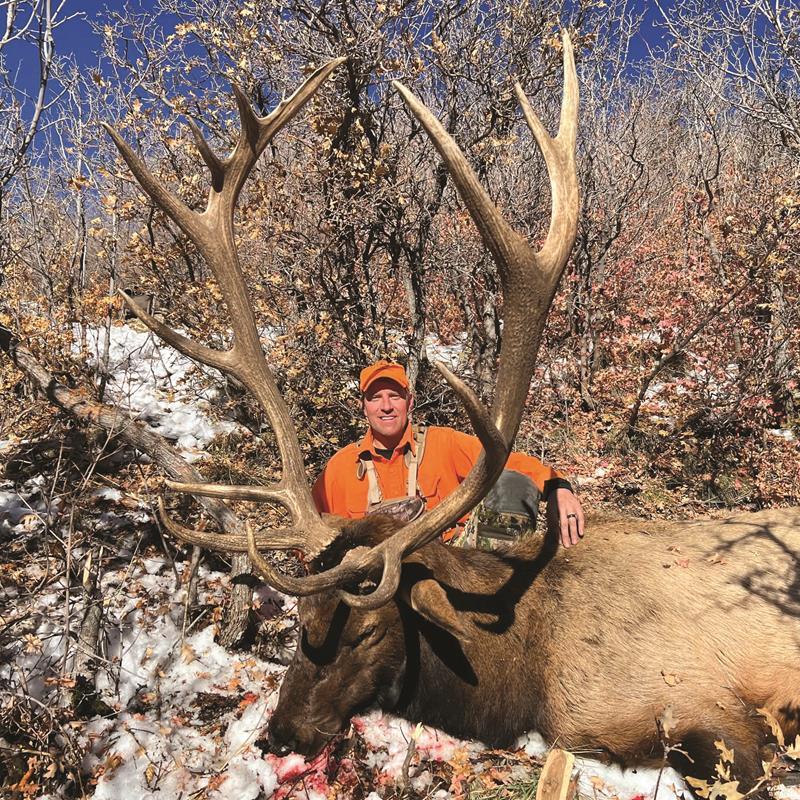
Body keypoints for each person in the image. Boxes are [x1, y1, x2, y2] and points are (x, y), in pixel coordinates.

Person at [312, 360, 585, 548]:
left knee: (513, 485)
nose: (386, 406)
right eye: (375, 398)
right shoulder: (340, 469)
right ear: (363, 407)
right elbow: (311, 532)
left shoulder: (444, 443)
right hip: (376, 590)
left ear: (409, 402)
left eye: (395, 396)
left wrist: (557, 486)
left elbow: (507, 462)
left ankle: (494, 605)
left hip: (452, 577)